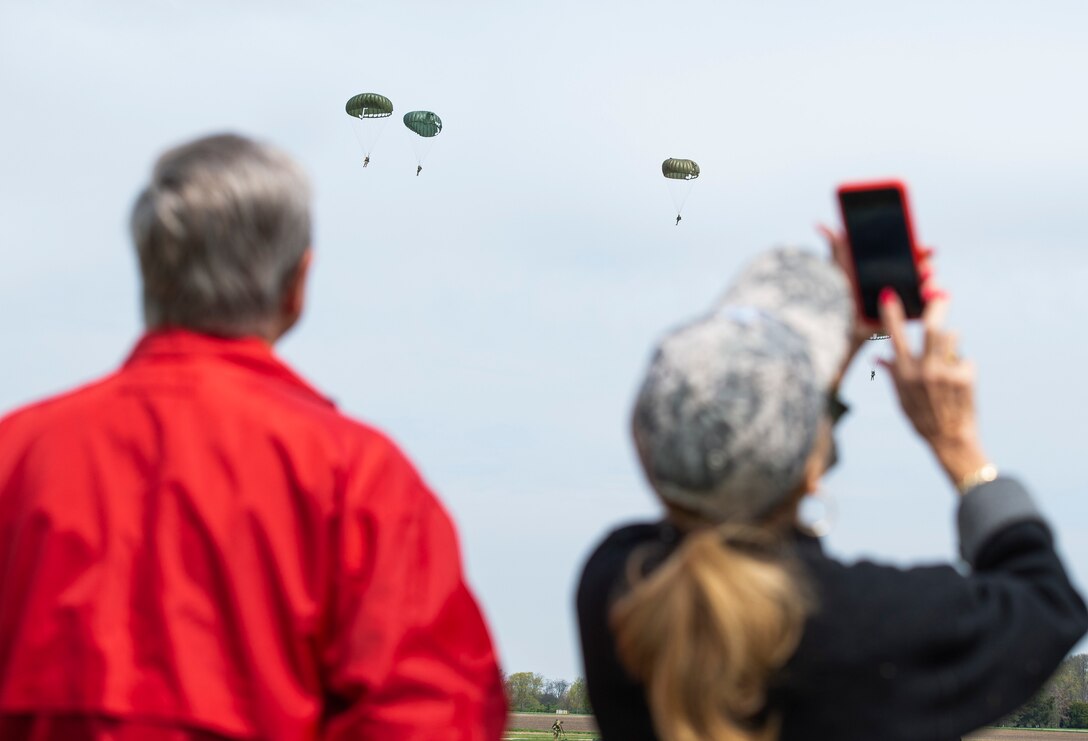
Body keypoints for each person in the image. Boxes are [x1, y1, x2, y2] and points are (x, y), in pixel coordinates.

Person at [0, 133, 507, 740]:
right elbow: (435, 714)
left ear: (150, 274)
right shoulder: (361, 482)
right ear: (298, 287)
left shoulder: (17, 455)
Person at [576, 243, 1087, 741]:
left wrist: (822, 371)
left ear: (646, 446)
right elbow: (1048, 603)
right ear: (814, 470)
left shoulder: (616, 588)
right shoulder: (864, 627)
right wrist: (957, 444)